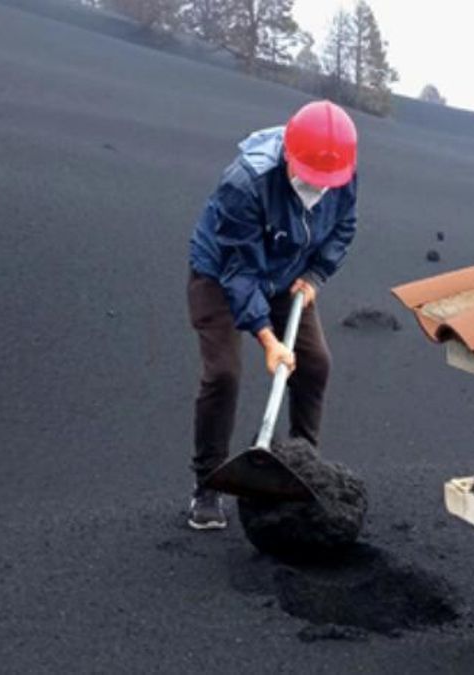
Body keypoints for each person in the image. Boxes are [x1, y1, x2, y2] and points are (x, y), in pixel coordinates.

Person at [186, 100, 359, 530]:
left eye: (327, 182)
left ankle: (301, 469)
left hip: (286, 274)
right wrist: (267, 339)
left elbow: (343, 226)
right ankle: (206, 487)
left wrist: (316, 274)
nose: (319, 189)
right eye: (310, 179)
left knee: (315, 364)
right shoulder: (245, 184)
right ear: (289, 157)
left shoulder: (342, 172)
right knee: (223, 373)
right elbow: (239, 271)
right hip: (222, 272)